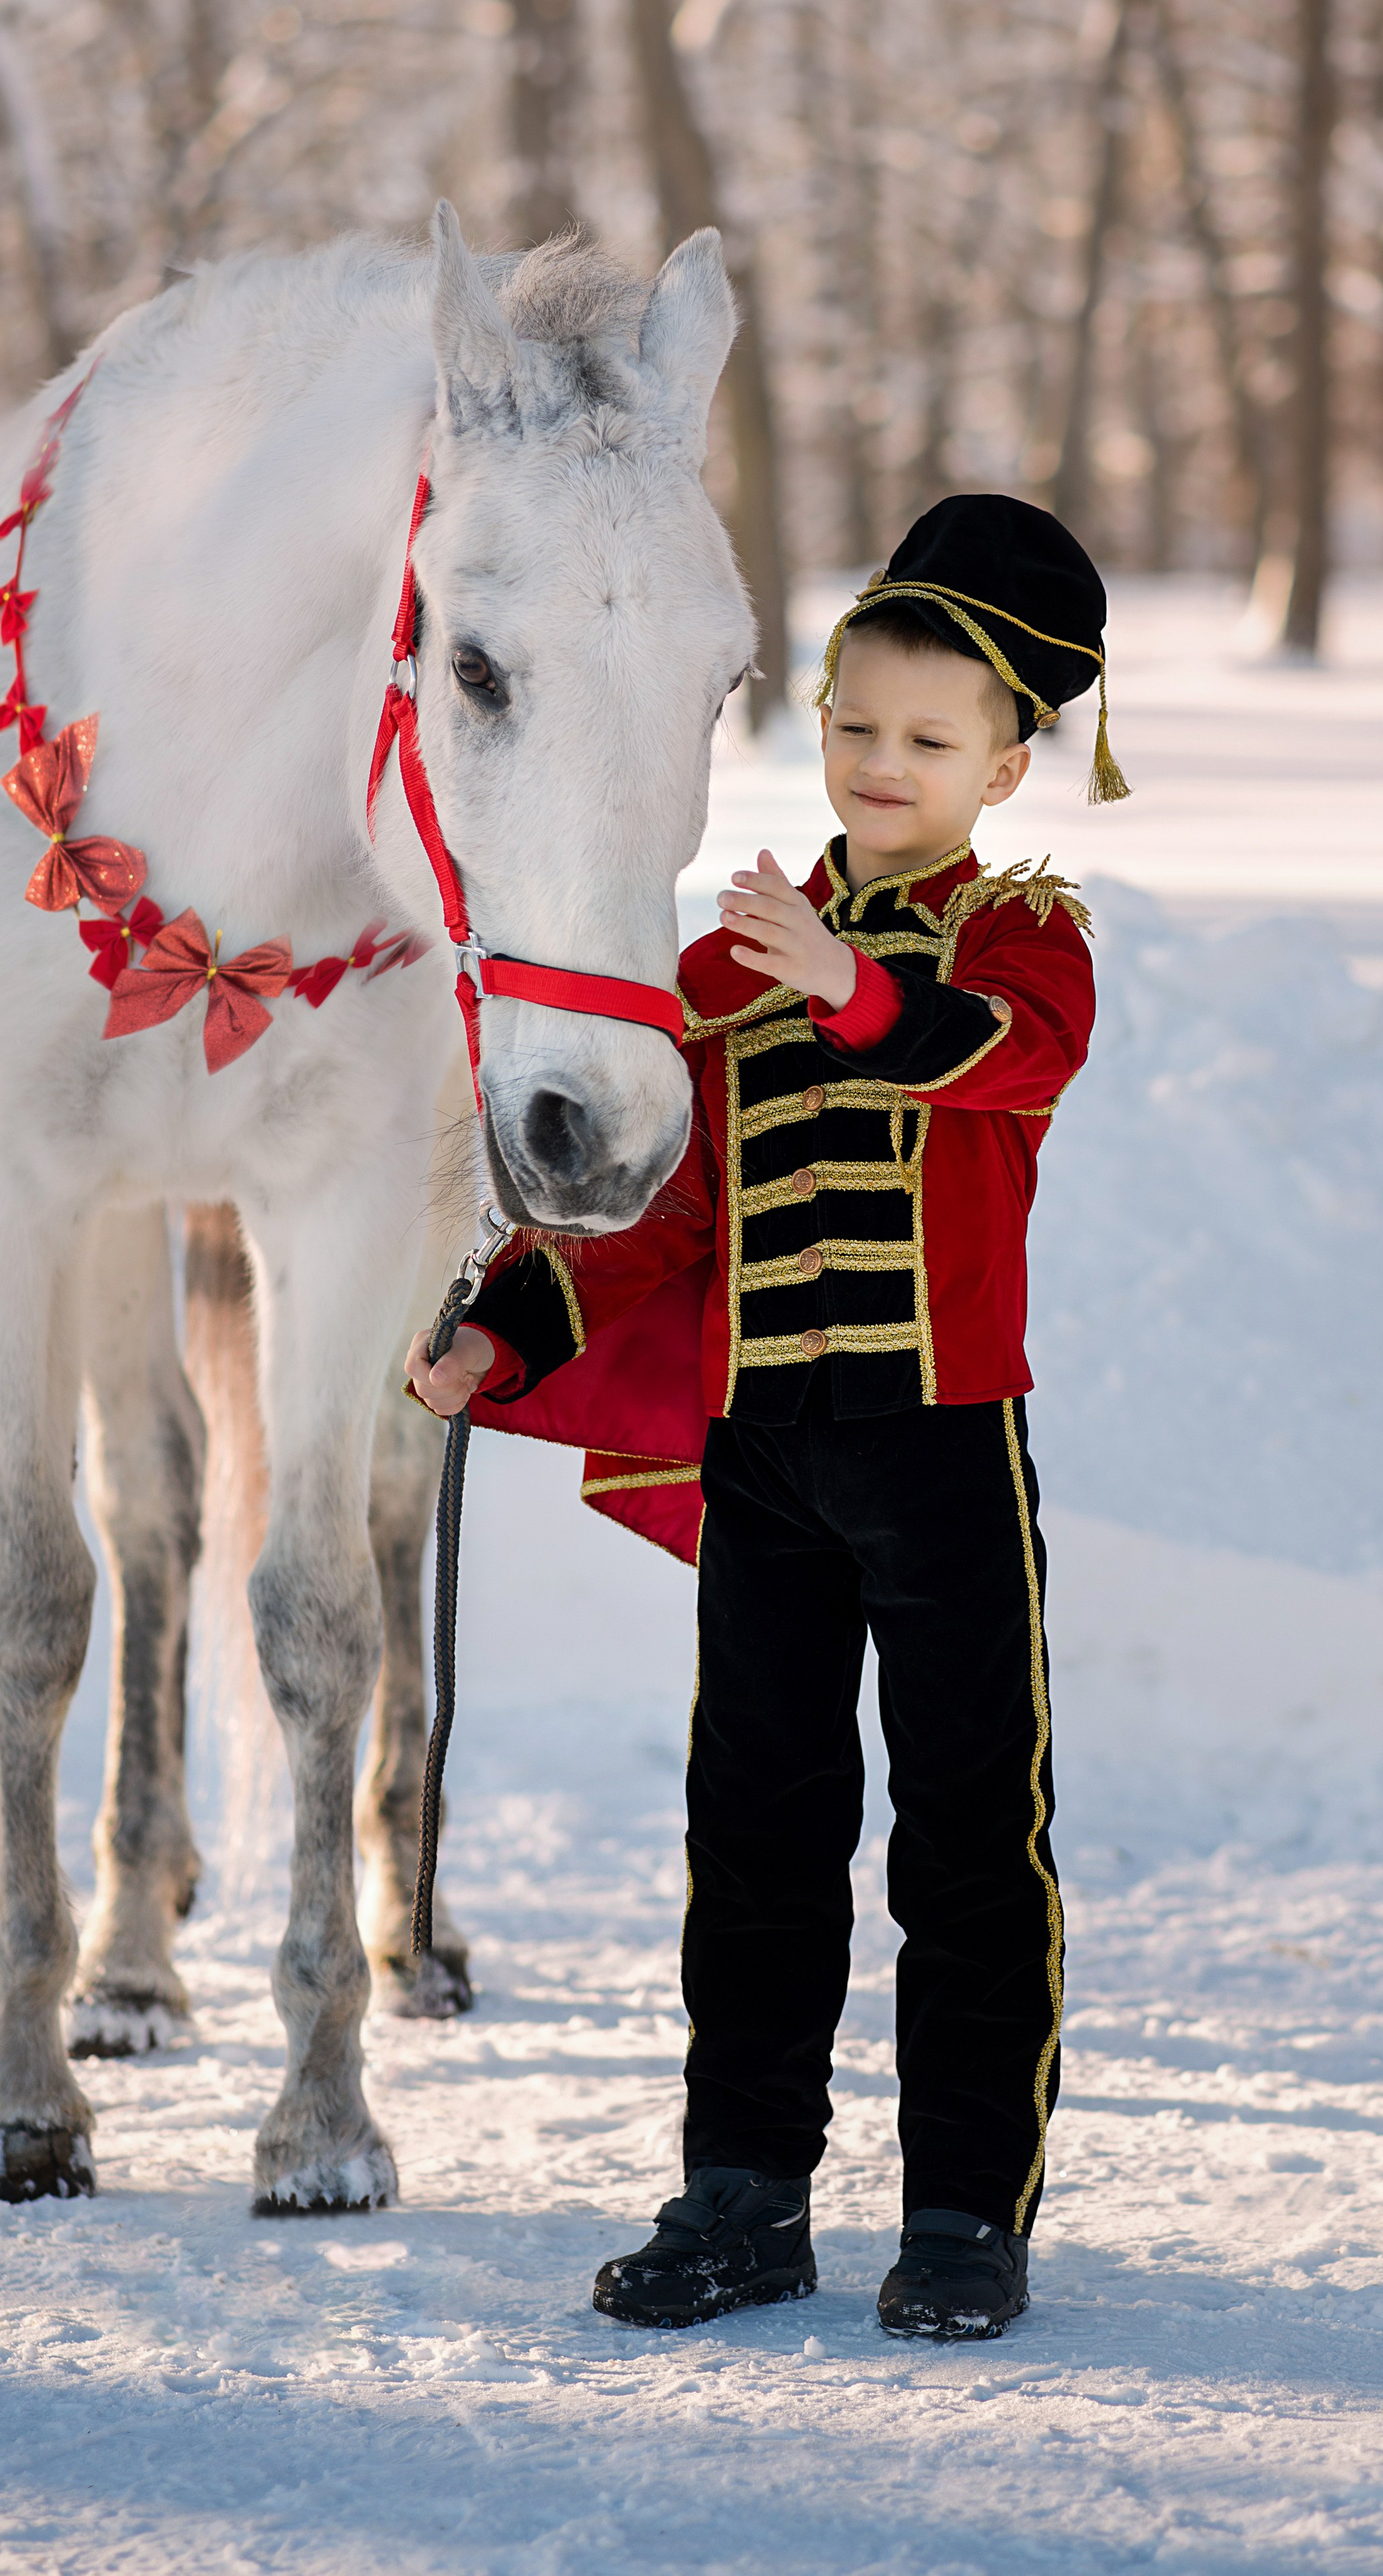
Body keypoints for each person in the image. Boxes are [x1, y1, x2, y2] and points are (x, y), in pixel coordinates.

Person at [407, 494, 1123, 2340]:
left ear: (1008, 759)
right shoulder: (730, 969)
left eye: (929, 739)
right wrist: (508, 1324)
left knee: (970, 1828)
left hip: (944, 1448)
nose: (882, 764)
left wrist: (859, 988)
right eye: (853, 725)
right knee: (759, 1833)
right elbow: (669, 1222)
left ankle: (966, 2205)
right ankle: (744, 2190)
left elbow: (1007, 1059)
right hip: (767, 1464)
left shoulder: (1020, 935)